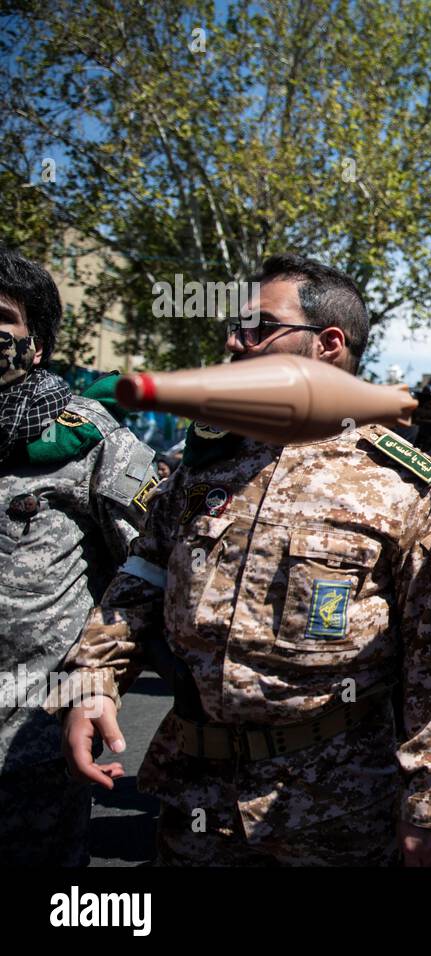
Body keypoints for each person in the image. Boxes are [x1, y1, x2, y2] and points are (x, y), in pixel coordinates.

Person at [50, 253, 431, 866]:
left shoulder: (405, 486)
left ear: (327, 344)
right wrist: (94, 685)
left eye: (258, 327)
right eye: (235, 327)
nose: (232, 340)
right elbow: (141, 578)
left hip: (335, 807)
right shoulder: (206, 469)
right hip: (195, 798)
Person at [0, 246, 157, 866]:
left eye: (2, 319)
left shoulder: (87, 439)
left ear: (35, 343)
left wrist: (100, 682)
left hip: (31, 746)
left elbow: (153, 566)